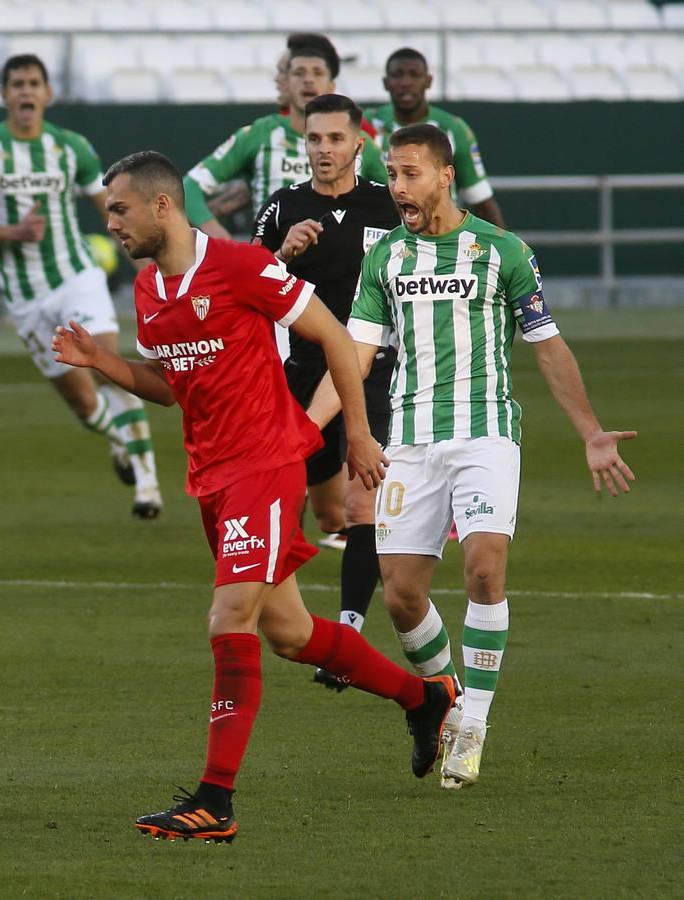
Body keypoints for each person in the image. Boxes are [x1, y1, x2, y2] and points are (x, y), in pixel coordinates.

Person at [51, 151, 456, 843]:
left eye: (117, 208)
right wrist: (103, 364)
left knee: (227, 617)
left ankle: (214, 802)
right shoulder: (149, 289)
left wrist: (357, 433)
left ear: (160, 206)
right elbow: (173, 383)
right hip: (210, 477)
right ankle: (425, 699)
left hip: (265, 467)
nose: (110, 222)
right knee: (289, 634)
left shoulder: (239, 266)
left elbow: (332, 332)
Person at [310, 124, 635, 788]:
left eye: (408, 174)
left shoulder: (501, 251)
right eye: (391, 175)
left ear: (442, 176)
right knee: (401, 597)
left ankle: (474, 722)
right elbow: (353, 356)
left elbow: (546, 344)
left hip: (485, 434)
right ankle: (445, 694)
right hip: (407, 440)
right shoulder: (386, 261)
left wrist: (589, 431)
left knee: (484, 571)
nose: (396, 187)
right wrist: (308, 430)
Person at [0, 53, 163, 519]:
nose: (26, 91)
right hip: (24, 294)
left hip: (76, 276)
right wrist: (12, 233)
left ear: (48, 94)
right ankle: (120, 440)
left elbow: (112, 205)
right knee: (84, 405)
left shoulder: (71, 148)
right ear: (4, 94)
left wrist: (146, 254)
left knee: (110, 368)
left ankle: (147, 486)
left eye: (33, 83)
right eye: (17, 84)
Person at [249, 93, 402, 691]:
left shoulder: (388, 205)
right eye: (314, 139)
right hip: (303, 371)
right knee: (330, 510)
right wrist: (283, 254)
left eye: (335, 139)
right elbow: (248, 281)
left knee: (364, 502)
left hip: (377, 370)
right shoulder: (284, 207)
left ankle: (347, 633)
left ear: (358, 142)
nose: (324, 150)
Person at [184, 36, 388, 241]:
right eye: (299, 73)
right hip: (275, 263)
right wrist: (220, 237)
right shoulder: (259, 134)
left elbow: (396, 193)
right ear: (287, 84)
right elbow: (189, 186)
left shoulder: (361, 143)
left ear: (331, 86)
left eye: (318, 73)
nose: (308, 80)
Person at [366, 47, 505, 228]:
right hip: (382, 233)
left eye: (414, 75)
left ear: (428, 81)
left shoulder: (454, 129)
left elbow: (480, 199)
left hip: (439, 235)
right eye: (397, 75)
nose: (406, 82)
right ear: (386, 83)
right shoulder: (366, 125)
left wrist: (503, 247)